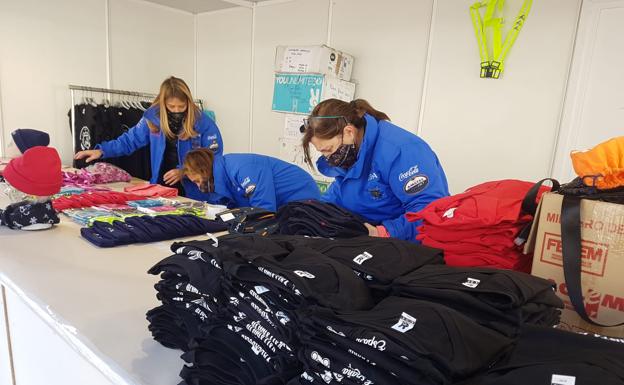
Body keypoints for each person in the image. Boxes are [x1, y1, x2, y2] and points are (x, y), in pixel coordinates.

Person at [301, 98, 449, 241]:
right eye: (322, 153)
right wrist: (317, 214)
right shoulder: (351, 152)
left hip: (406, 242)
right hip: (368, 235)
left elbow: (430, 209)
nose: (327, 158)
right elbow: (340, 192)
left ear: (349, 132)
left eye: (328, 149)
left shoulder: (402, 150)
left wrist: (383, 232)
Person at [74, 76, 223, 200]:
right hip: (161, 186)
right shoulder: (152, 118)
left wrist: (183, 171)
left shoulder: (204, 124)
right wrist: (101, 151)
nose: (176, 111)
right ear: (163, 104)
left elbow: (213, 159)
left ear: (188, 104)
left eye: (181, 107)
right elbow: (129, 141)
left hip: (194, 191)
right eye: (171, 107)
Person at [183, 148, 320, 212]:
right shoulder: (222, 175)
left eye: (197, 181)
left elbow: (263, 208)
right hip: (281, 204)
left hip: (302, 197)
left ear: (204, 171)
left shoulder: (241, 168)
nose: (199, 186)